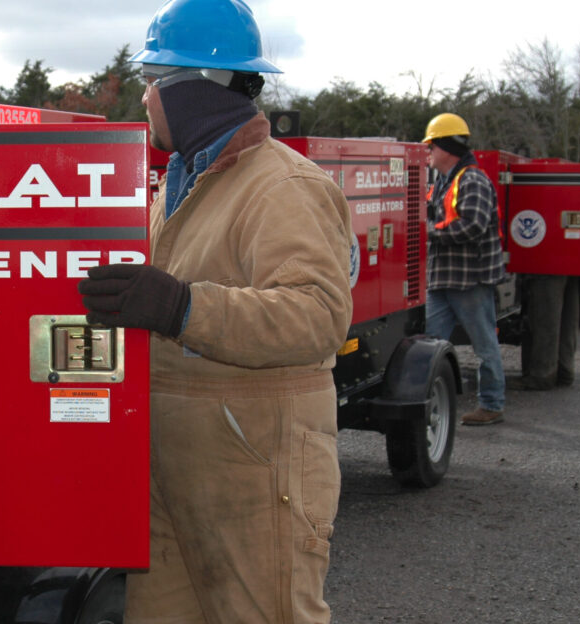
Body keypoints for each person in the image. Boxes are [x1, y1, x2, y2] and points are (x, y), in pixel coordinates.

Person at [76, 1, 353, 622]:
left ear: (193, 90)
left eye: (152, 83)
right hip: (174, 470)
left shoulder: (282, 187)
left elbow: (317, 315)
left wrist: (182, 306)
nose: (144, 99)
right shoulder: (180, 184)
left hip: (257, 467)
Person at [421, 112, 507, 425]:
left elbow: (472, 227)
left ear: (446, 146)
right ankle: (425, 401)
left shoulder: (472, 180)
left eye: (431, 145)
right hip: (442, 278)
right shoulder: (443, 181)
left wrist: (427, 232)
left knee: (484, 344)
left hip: (471, 280)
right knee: (429, 344)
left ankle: (492, 404)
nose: (427, 152)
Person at [512, 274, 579, 389]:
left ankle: (542, 375)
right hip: (573, 261)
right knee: (567, 317)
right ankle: (564, 371)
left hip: (545, 263)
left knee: (545, 318)